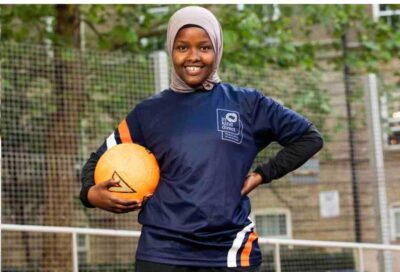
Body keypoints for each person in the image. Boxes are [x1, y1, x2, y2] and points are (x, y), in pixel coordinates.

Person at [80, 6, 324, 272]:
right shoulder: (148, 113)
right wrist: (91, 195)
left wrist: (262, 174)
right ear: (171, 50)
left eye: (204, 48)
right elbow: (96, 162)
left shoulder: (247, 103)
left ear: (217, 50)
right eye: (182, 47)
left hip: (229, 250)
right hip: (162, 251)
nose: (193, 57)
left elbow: (308, 138)